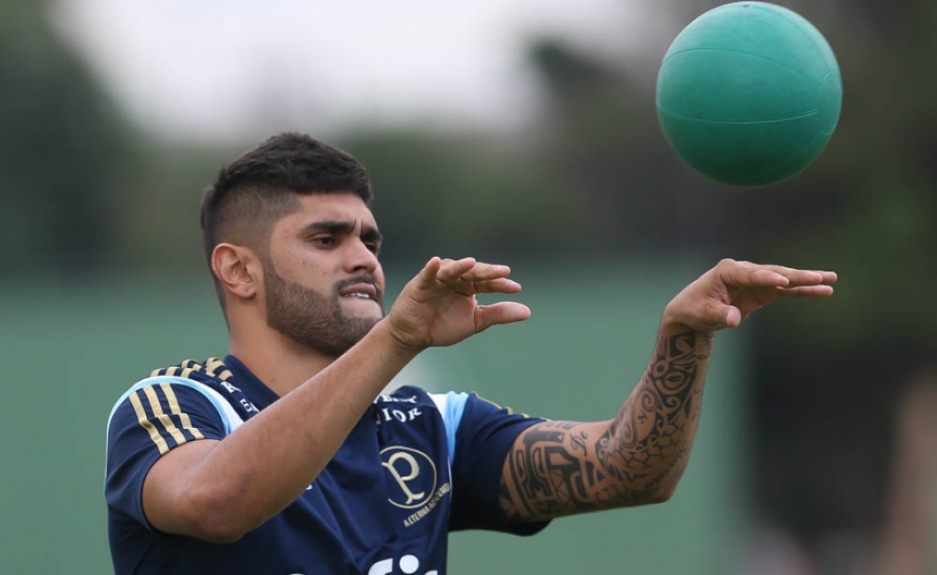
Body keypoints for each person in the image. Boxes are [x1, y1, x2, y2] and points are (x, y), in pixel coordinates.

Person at [104, 132, 837, 575]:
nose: (361, 257)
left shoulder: (429, 425)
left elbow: (626, 469)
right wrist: (397, 338)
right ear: (237, 269)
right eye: (326, 239)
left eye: (370, 239)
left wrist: (685, 339)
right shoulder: (172, 405)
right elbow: (217, 502)